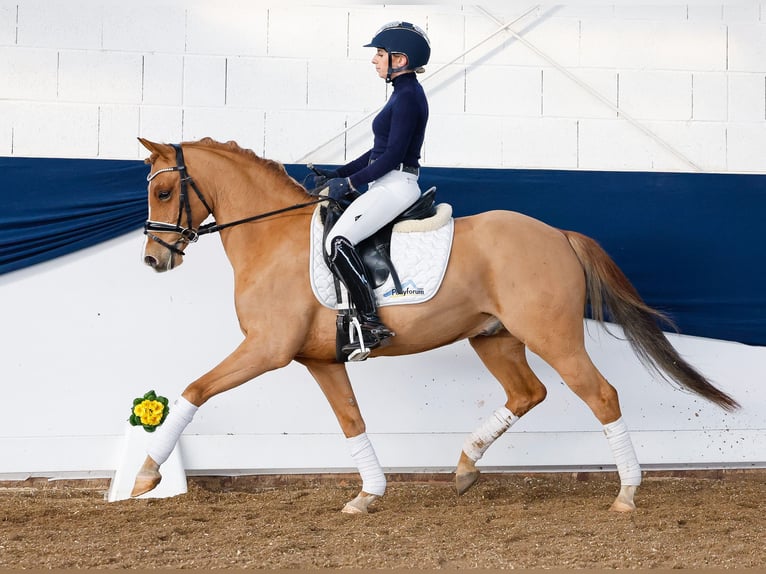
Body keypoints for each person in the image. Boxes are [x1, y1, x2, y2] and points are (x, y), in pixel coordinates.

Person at [313, 21, 431, 354]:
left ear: (400, 60)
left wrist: (349, 183)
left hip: (396, 184)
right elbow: (377, 152)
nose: (375, 60)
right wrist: (337, 172)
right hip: (386, 182)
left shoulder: (408, 97)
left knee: (337, 242)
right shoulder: (402, 94)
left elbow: (392, 156)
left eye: (381, 54)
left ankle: (369, 321)